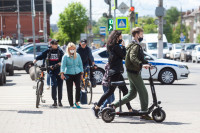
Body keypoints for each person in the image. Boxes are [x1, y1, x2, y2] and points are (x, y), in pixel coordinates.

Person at [112, 27, 152, 120]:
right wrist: (141, 65)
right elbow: (133, 57)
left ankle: (114, 105)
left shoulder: (132, 44)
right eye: (141, 34)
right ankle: (144, 113)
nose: (142, 36)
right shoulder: (136, 45)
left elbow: (139, 57)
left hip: (131, 72)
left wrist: (146, 63)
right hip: (134, 73)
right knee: (143, 92)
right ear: (137, 34)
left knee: (132, 94)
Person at [92, 30, 133, 118]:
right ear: (117, 37)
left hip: (116, 71)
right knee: (110, 91)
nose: (121, 38)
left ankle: (130, 109)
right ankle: (96, 107)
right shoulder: (115, 47)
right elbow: (123, 55)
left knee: (125, 91)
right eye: (120, 37)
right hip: (115, 72)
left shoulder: (112, 45)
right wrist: (123, 46)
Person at [33, 39, 64, 107]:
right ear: (51, 45)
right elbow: (42, 55)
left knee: (60, 86)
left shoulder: (60, 51)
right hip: (51, 70)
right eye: (55, 44)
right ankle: (55, 101)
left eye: (57, 44)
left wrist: (58, 65)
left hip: (59, 70)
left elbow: (63, 60)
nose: (56, 45)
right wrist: (36, 59)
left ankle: (60, 101)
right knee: (53, 85)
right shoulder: (48, 51)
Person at [60, 42, 84, 108]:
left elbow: (80, 64)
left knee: (78, 88)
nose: (72, 50)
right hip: (68, 73)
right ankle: (71, 104)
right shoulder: (65, 56)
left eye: (73, 49)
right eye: (71, 49)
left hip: (77, 73)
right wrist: (62, 73)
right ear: (68, 49)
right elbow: (63, 65)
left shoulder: (78, 55)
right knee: (69, 89)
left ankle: (77, 102)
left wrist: (82, 73)